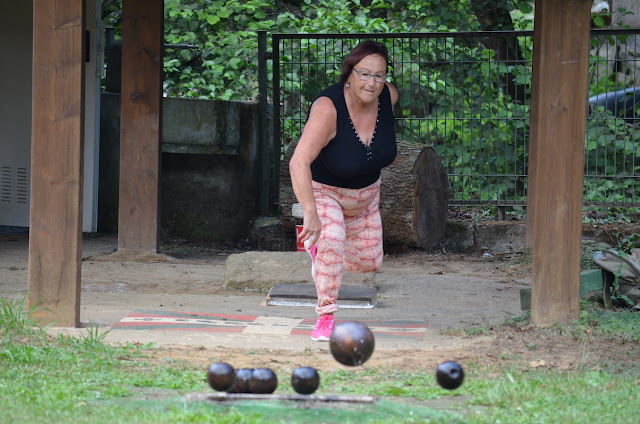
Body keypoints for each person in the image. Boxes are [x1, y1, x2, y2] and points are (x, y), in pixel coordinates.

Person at [289, 40, 399, 341]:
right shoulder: (328, 108)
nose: (372, 82)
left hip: (365, 199)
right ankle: (325, 317)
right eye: (364, 74)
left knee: (368, 263)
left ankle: (325, 249)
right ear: (348, 74)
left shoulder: (388, 97)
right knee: (332, 243)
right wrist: (310, 214)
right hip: (326, 192)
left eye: (379, 75)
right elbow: (298, 162)